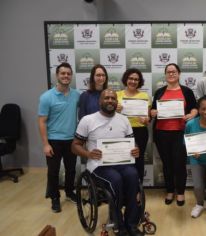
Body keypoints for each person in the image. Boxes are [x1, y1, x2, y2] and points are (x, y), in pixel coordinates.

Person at [71, 89, 143, 236]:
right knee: (115, 180)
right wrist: (88, 153)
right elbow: (75, 146)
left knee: (132, 174)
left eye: (113, 98)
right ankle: (119, 225)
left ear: (117, 101)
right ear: (100, 101)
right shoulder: (88, 120)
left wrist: (136, 149)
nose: (110, 100)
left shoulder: (123, 119)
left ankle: (132, 223)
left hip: (121, 162)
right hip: (98, 165)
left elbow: (132, 144)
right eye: (106, 98)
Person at [151, 63, 198, 206]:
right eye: (168, 72)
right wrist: (153, 113)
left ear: (179, 74)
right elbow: (152, 110)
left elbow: (195, 109)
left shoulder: (186, 91)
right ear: (165, 75)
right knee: (167, 164)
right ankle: (170, 191)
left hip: (180, 133)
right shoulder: (159, 91)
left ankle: (181, 193)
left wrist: (191, 114)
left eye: (174, 71)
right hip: (161, 132)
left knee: (179, 164)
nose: (171, 74)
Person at [38, 62, 80, 213]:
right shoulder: (46, 97)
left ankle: (69, 192)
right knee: (53, 171)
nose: (66, 76)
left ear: (71, 76)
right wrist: (45, 144)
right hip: (53, 141)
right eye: (63, 73)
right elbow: (42, 121)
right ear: (57, 75)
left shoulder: (76, 95)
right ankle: (55, 198)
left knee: (71, 170)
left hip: (71, 140)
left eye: (68, 74)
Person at [116, 68, 150, 182]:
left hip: (140, 131)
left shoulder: (145, 96)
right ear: (126, 79)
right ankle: (125, 187)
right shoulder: (116, 95)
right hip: (121, 131)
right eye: (131, 78)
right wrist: (115, 109)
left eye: (136, 79)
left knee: (138, 160)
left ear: (139, 82)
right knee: (122, 159)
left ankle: (138, 189)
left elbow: (148, 119)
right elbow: (109, 115)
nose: (133, 81)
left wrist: (146, 120)